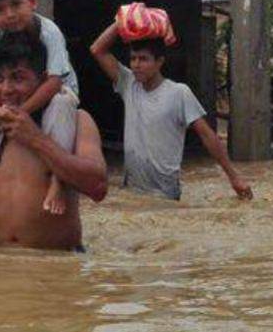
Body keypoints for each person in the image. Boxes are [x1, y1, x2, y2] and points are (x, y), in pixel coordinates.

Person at [0, 32, 107, 250]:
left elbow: (99, 187)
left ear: (44, 80)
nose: (6, 90)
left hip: (57, 267)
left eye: (18, 78)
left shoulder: (77, 121)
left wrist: (35, 138)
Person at [90, 21, 253, 201]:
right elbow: (98, 50)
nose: (136, 64)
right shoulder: (129, 84)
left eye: (143, 59)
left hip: (165, 192)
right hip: (132, 190)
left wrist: (234, 178)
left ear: (159, 62)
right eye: (133, 58)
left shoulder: (179, 92)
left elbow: (208, 136)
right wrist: (122, 20)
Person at [0, 0, 79, 222]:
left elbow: (53, 82)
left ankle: (58, 181)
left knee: (62, 102)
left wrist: (21, 113)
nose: (10, 14)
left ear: (32, 2)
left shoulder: (49, 32)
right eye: (0, 9)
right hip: (16, 94)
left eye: (16, 4)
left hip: (57, 88)